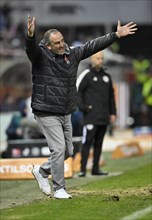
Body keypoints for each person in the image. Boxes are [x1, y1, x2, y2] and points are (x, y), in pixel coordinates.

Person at [25, 14, 137, 199]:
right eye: (57, 43)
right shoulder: (40, 56)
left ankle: (42, 171)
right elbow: (31, 50)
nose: (62, 45)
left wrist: (115, 35)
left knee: (68, 152)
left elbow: (93, 45)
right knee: (59, 150)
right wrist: (30, 36)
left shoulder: (73, 54)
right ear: (48, 46)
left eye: (62, 41)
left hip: (65, 110)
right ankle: (60, 188)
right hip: (46, 110)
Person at [77, 51, 116, 177]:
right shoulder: (86, 75)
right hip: (90, 117)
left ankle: (95, 168)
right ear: (92, 60)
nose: (100, 60)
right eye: (98, 58)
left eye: (101, 58)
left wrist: (113, 113)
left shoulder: (107, 77)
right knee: (87, 142)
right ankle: (82, 169)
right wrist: (83, 108)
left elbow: (111, 97)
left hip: (104, 116)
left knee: (99, 143)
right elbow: (77, 92)